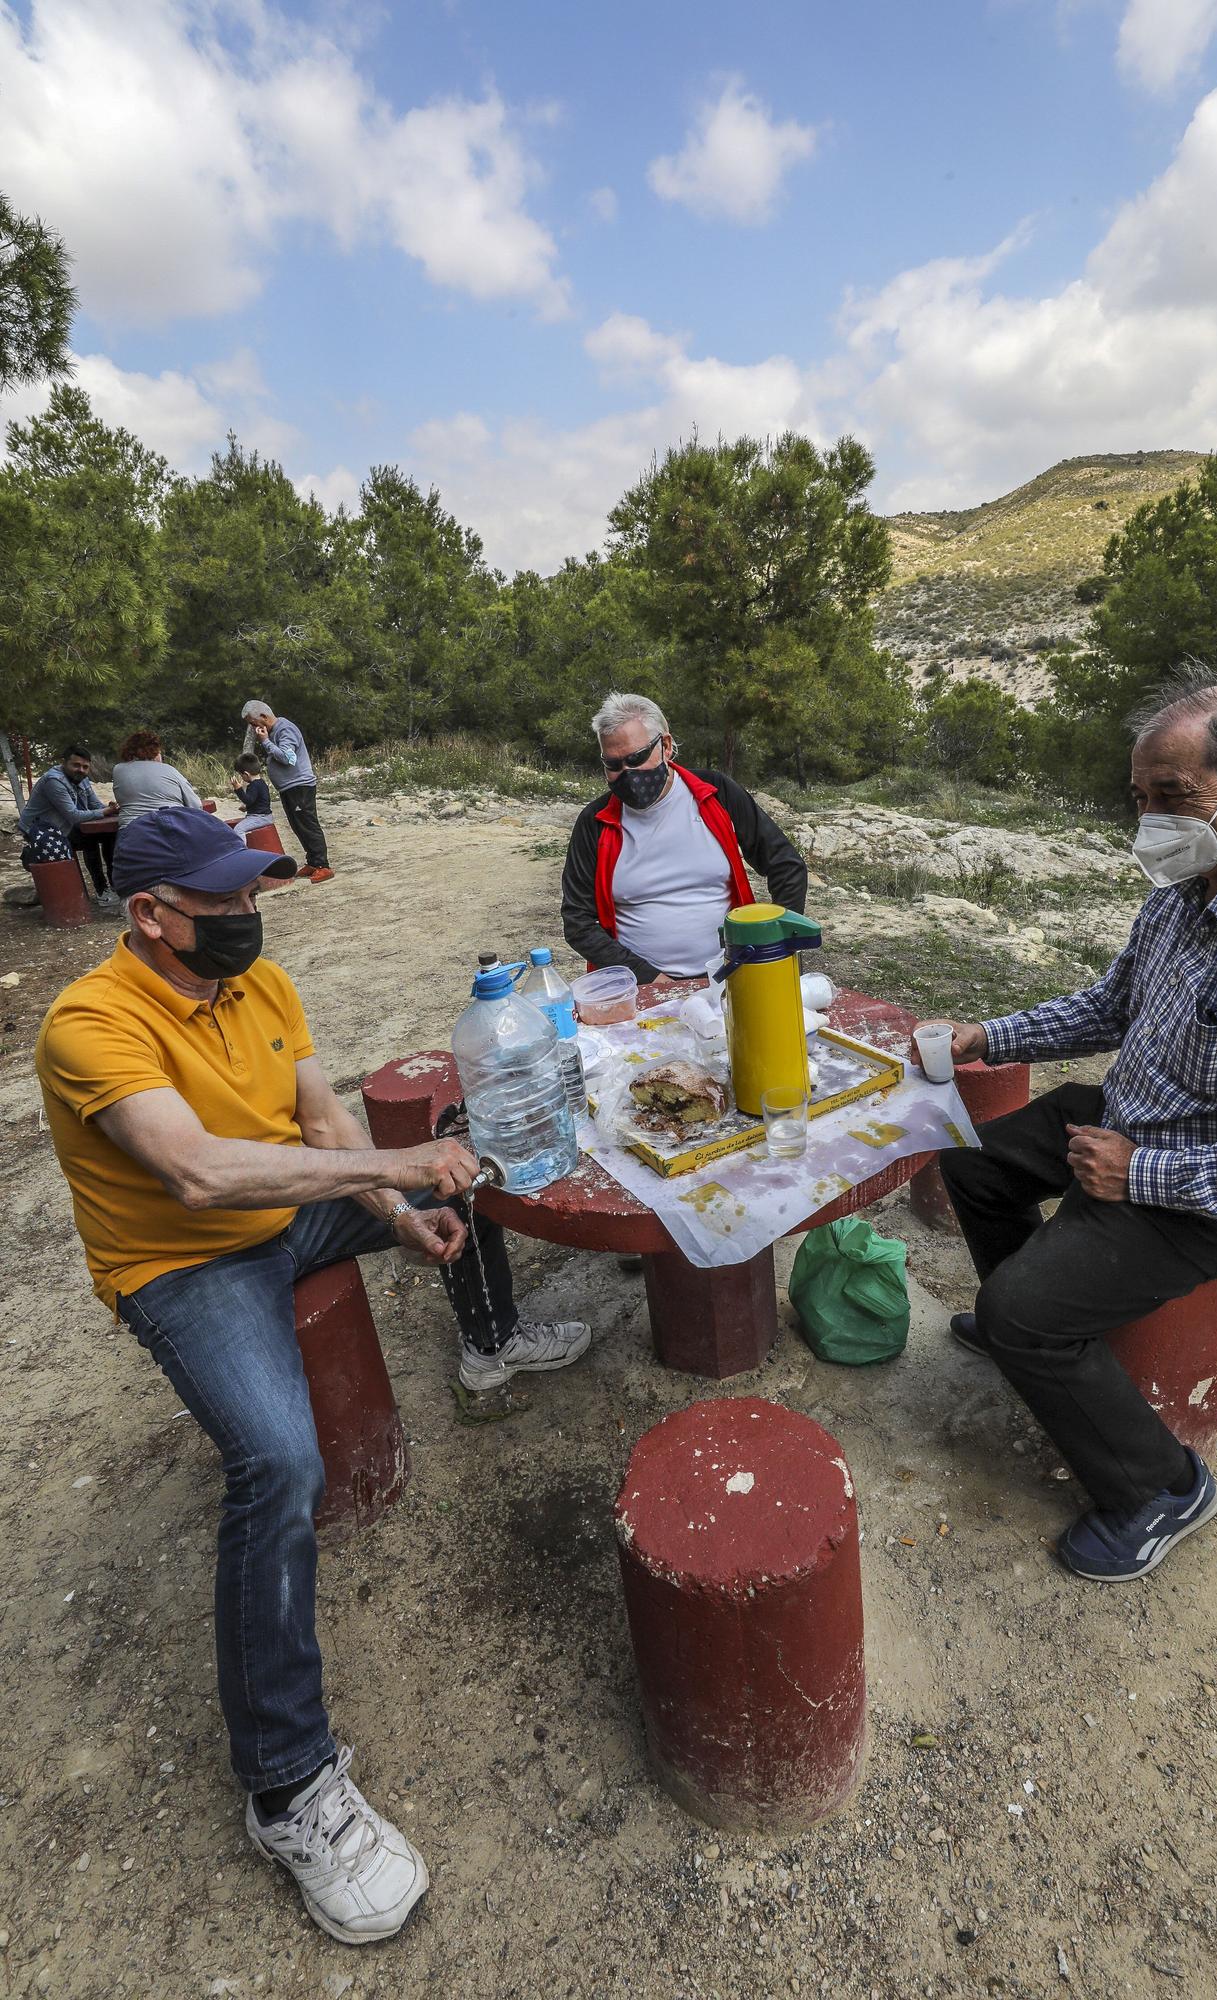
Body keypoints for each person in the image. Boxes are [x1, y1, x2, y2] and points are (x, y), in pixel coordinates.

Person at [35, 807, 589, 1943]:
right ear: (149, 915)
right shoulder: (88, 1022)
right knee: (277, 1461)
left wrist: (395, 1206)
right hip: (186, 1262)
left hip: (290, 1215)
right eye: (225, 903)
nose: (249, 916)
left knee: (454, 1182)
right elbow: (194, 1171)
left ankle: (487, 1341)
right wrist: (388, 1163)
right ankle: (287, 1784)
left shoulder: (263, 984)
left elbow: (318, 1114)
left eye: (252, 895)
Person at [932, 678, 1217, 1583]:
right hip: (1132, 1122)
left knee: (1018, 1316)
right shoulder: (1190, 882)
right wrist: (987, 1037)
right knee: (970, 1159)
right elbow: (1112, 1003)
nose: (1150, 821)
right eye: (1139, 798)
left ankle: (1160, 1489)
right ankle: (1038, 1332)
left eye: (1172, 797)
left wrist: (1138, 1174)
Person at [561, 692, 808, 983]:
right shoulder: (595, 822)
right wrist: (648, 977)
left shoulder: (716, 792)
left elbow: (785, 865)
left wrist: (776, 943)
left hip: (734, 974)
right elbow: (578, 921)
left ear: (665, 745)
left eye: (636, 758)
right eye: (613, 765)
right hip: (643, 986)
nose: (627, 773)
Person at [240, 700, 333, 882]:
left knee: (308, 826)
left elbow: (288, 758)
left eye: (253, 723)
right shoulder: (274, 731)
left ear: (264, 717)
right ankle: (312, 862)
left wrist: (265, 742)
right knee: (298, 826)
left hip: (300, 786)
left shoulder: (285, 729)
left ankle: (323, 865)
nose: (252, 728)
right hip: (289, 788)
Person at [18, 742, 119, 908]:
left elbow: (96, 806)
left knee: (111, 834)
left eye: (85, 767)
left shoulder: (82, 779)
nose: (81, 770)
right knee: (89, 840)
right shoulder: (54, 781)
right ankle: (102, 891)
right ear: (63, 762)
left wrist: (112, 809)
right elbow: (74, 816)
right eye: (76, 765)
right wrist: (105, 812)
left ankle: (115, 884)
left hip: (63, 826)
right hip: (41, 831)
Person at [112, 728, 203, 823]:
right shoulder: (169, 770)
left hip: (131, 829)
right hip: (171, 826)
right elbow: (195, 805)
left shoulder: (118, 770)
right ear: (155, 752)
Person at [228, 751, 275, 837]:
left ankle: (242, 850)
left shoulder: (253, 785)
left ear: (246, 774)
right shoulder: (261, 783)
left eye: (241, 775)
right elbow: (260, 801)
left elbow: (248, 800)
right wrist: (246, 808)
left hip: (260, 817)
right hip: (265, 816)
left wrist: (238, 789)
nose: (241, 777)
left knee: (238, 829)